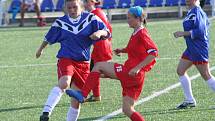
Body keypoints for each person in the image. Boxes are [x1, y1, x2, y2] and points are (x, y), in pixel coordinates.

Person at [66, 6, 158, 121]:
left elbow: (153, 52)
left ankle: (83, 95)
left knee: (98, 66)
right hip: (135, 77)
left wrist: (138, 68)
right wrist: (123, 50)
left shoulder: (142, 33)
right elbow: (137, 50)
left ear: (138, 19)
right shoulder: (137, 32)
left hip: (130, 72)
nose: (127, 20)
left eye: (129, 18)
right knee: (127, 109)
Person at [36, 0, 110, 120]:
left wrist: (99, 32)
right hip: (66, 58)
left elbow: (107, 31)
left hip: (83, 63)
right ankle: (46, 113)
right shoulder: (60, 23)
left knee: (76, 101)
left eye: (74, 7)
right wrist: (40, 49)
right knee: (64, 82)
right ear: (65, 7)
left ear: (81, 6)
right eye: (69, 8)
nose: (72, 10)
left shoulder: (91, 19)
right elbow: (48, 37)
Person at [173, 0, 215, 109]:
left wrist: (182, 33)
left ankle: (189, 100)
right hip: (191, 48)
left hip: (198, 48)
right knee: (180, 71)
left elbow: (200, 31)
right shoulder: (192, 11)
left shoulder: (197, 11)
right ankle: (189, 100)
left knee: (206, 75)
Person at [83, 0, 113, 102]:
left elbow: (105, 30)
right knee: (93, 71)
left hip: (101, 46)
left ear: (92, 2)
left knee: (95, 71)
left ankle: (121, 75)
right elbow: (109, 29)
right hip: (100, 45)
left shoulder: (96, 14)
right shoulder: (97, 13)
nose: (84, 4)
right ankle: (96, 95)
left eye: (86, 2)